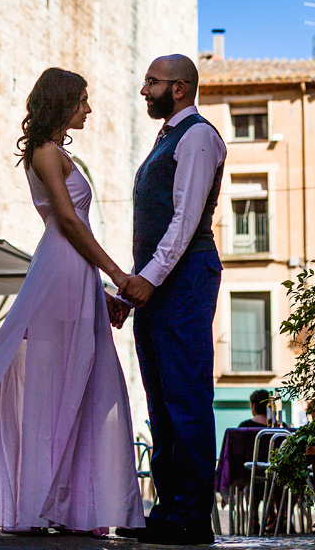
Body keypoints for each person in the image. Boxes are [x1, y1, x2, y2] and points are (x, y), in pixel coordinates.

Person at [0, 67, 145, 534]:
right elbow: (69, 222)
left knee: (85, 380)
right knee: (54, 384)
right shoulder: (45, 152)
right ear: (61, 103)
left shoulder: (53, 152)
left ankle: (73, 507)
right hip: (62, 269)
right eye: (82, 100)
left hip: (71, 273)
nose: (89, 108)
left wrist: (100, 290)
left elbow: (73, 232)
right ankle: (39, 505)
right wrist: (118, 274)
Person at [117, 54, 226, 546]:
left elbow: (184, 221)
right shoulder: (168, 139)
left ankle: (192, 514)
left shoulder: (198, 136)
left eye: (152, 82)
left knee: (186, 395)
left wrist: (148, 281)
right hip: (162, 284)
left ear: (180, 88)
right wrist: (137, 287)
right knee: (160, 399)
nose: (145, 90)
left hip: (185, 279)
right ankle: (169, 506)